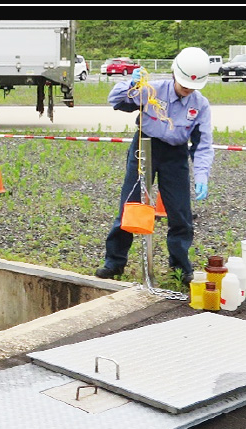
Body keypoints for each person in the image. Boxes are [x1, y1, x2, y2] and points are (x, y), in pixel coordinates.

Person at [95, 46, 214, 286]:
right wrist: (130, 85)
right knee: (130, 205)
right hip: (144, 147)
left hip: (175, 154)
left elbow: (203, 144)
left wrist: (201, 175)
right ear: (173, 74)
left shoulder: (200, 105)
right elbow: (115, 101)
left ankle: (180, 267)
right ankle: (115, 261)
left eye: (192, 87)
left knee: (181, 214)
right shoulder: (152, 90)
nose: (187, 90)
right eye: (183, 85)